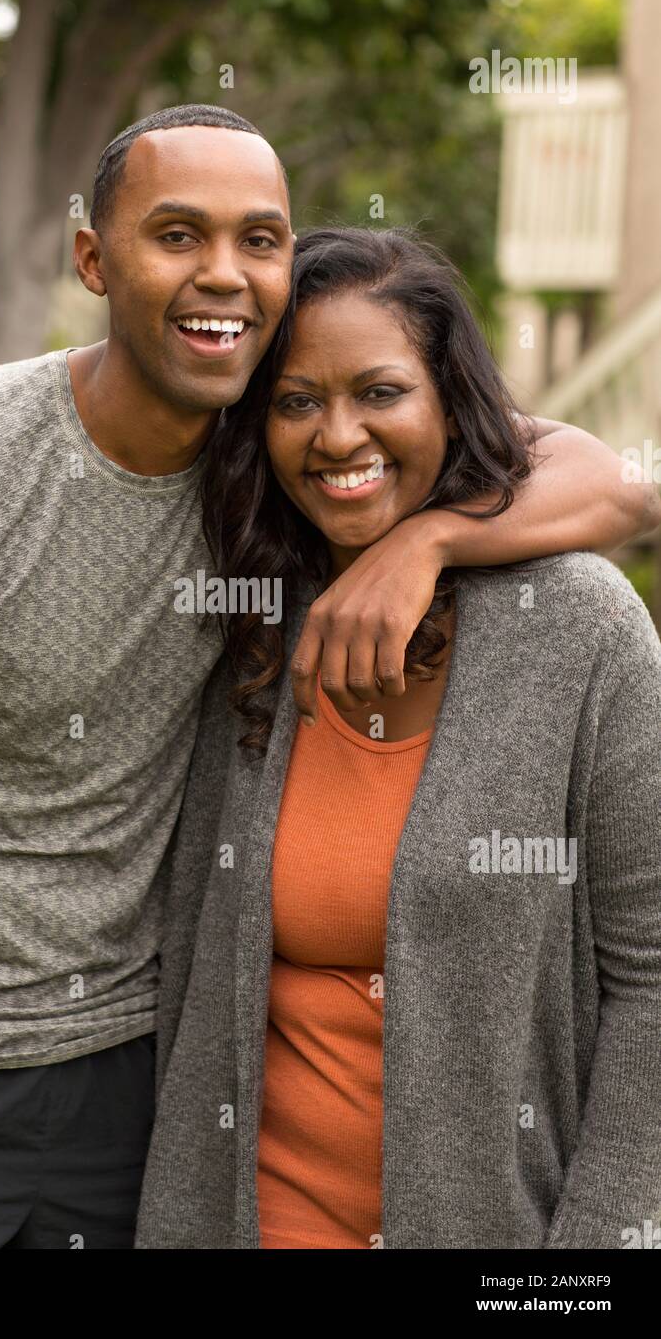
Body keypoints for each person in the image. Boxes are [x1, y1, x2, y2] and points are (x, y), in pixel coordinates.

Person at [0, 104, 657, 1249]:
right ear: (92, 258)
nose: (224, 275)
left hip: (131, 1104)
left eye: (258, 237)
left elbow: (617, 485)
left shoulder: (313, 497)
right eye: (175, 233)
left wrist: (422, 545)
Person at [130, 227, 661, 1250]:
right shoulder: (242, 620)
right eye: (295, 400)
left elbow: (651, 978)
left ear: (447, 404)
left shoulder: (579, 629)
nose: (336, 436)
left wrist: (593, 1258)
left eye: (380, 393)